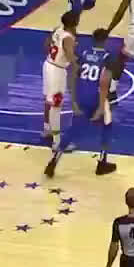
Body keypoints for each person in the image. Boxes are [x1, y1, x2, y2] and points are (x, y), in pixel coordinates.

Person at [45, 27, 119, 178]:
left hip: (81, 96)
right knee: (107, 124)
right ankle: (102, 163)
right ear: (106, 40)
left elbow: (72, 75)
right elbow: (104, 82)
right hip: (96, 96)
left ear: (93, 39)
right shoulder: (107, 56)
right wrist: (100, 106)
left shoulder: (83, 54)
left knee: (73, 130)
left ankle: (54, 161)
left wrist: (73, 100)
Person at [40, 10, 80, 164]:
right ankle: (57, 142)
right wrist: (79, 65)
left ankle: (46, 129)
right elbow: (70, 57)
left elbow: (46, 45)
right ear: (75, 23)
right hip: (57, 71)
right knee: (56, 105)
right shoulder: (68, 38)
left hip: (48, 64)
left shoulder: (57, 30)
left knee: (48, 100)